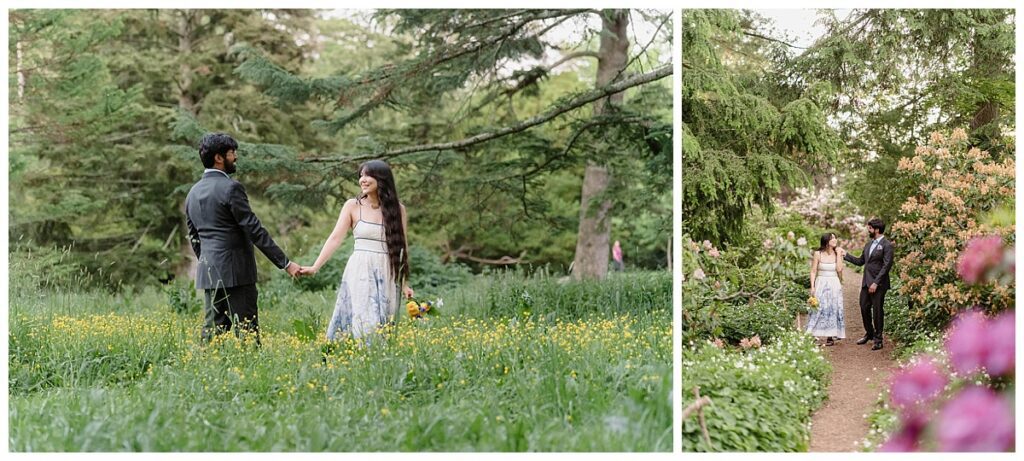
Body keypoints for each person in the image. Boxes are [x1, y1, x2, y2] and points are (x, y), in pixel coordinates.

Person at [185, 132, 300, 345]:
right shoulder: (231, 188)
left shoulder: (192, 192)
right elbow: (254, 230)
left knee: (212, 333)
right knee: (247, 332)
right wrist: (285, 263)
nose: (235, 157)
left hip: (210, 271)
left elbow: (195, 237)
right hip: (237, 272)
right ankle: (251, 373)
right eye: (231, 153)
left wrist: (210, 261)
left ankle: (205, 371)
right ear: (219, 158)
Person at [299, 160, 414, 341]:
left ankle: (378, 364)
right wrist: (315, 267)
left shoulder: (398, 209)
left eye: (368, 175)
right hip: (361, 269)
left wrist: (405, 282)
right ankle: (355, 358)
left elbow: (402, 246)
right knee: (366, 321)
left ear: (381, 179)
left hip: (388, 271)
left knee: (385, 324)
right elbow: (335, 238)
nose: (363, 180)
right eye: (361, 176)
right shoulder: (353, 206)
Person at [839, 217, 894, 351]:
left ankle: (878, 339)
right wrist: (846, 255)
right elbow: (860, 261)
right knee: (864, 308)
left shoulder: (887, 245)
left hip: (879, 284)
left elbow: (886, 266)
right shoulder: (869, 244)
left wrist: (875, 283)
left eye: (869, 228)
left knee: (877, 311)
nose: (868, 230)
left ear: (876, 229)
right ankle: (869, 333)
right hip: (866, 282)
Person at [807, 233, 846, 346]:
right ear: (826, 241)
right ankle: (813, 334)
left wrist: (839, 254)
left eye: (835, 237)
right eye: (832, 238)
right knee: (818, 307)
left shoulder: (837, 253)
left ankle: (831, 335)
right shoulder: (818, 254)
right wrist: (813, 286)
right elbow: (813, 271)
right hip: (821, 282)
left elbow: (839, 269)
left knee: (833, 308)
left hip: (834, 283)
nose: (835, 240)